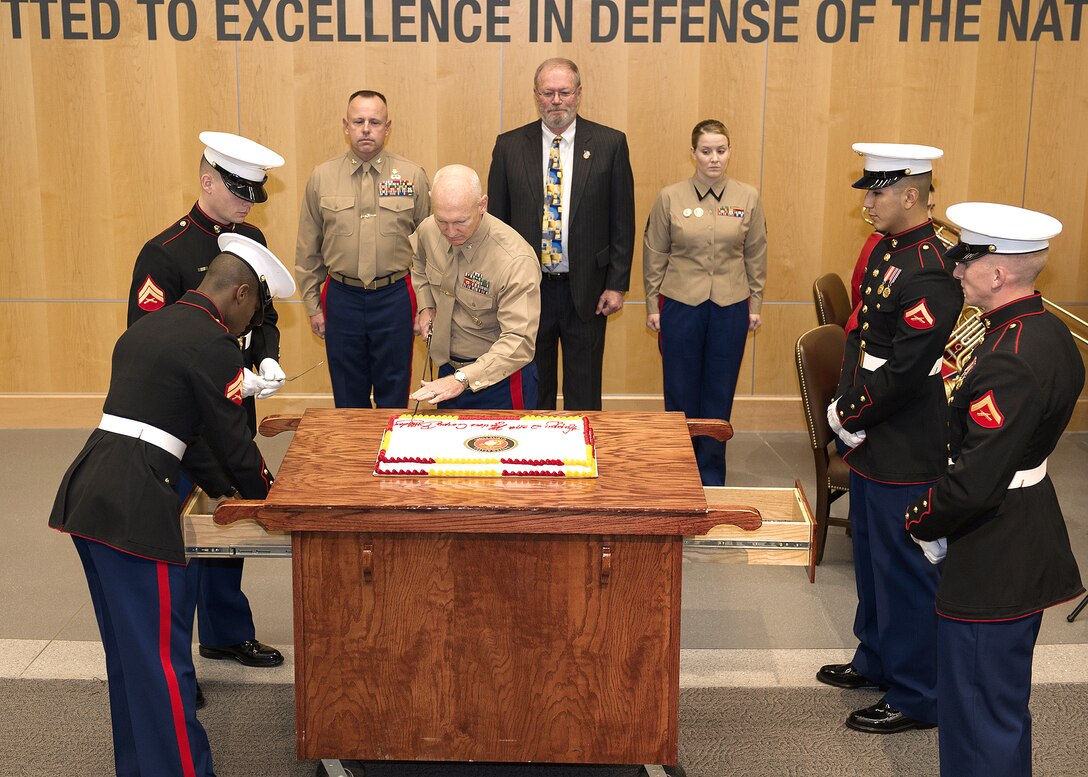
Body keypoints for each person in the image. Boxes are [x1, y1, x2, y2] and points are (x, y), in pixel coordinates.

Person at [50, 241, 294, 777]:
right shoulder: (214, 343)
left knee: (130, 661)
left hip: (89, 498)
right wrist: (274, 497)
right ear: (241, 293)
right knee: (163, 666)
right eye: (255, 308)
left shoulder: (148, 328)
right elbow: (234, 445)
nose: (251, 321)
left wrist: (233, 496)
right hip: (138, 509)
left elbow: (198, 443)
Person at [905, 203, 1084, 775]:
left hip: (993, 549)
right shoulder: (1048, 332)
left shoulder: (1009, 357)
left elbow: (975, 483)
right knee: (998, 708)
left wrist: (921, 520)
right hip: (1022, 529)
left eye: (966, 262)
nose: (956, 272)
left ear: (997, 273)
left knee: (978, 713)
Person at [128, 133, 286, 676]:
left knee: (232, 514)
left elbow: (262, 314)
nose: (247, 204)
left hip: (233, 399)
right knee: (185, 540)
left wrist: (264, 362)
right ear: (206, 181)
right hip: (184, 421)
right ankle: (178, 664)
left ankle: (226, 633)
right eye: (238, 191)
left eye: (253, 195)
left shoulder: (251, 238)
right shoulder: (166, 253)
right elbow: (150, 345)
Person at [817, 143, 962, 734]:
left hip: (903, 433)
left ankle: (917, 693)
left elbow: (906, 365)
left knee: (903, 568)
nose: (868, 203)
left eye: (877, 192)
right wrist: (852, 409)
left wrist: (850, 409)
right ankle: (875, 659)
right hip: (876, 428)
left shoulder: (930, 261)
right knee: (875, 559)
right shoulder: (891, 248)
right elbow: (865, 340)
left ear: (911, 195)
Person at [486, 57, 634, 411]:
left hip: (588, 290)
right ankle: (536, 462)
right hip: (528, 291)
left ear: (578, 94)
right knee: (535, 387)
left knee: (584, 390)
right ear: (536, 96)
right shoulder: (509, 147)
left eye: (564, 92)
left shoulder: (610, 144)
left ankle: (584, 458)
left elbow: (622, 221)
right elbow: (495, 225)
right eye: (548, 93)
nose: (556, 101)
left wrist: (617, 284)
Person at [643, 119, 767, 486]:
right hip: (681, 303)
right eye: (706, 151)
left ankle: (712, 475)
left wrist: (755, 303)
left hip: (731, 305)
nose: (714, 159)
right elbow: (655, 254)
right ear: (693, 153)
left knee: (719, 390)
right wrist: (653, 304)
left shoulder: (748, 197)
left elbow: (756, 253)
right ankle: (679, 472)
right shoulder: (670, 197)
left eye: (721, 150)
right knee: (680, 390)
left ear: (730, 152)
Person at [295, 89, 431, 408]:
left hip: (395, 297)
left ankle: (390, 457)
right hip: (342, 300)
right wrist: (314, 306)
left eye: (374, 121)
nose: (366, 128)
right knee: (347, 395)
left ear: (388, 127)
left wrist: (426, 306)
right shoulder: (322, 177)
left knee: (394, 393)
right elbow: (308, 250)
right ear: (346, 126)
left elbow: (431, 250)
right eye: (358, 121)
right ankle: (353, 459)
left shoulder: (412, 176)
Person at [410, 165, 540, 410]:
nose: (450, 232)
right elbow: (417, 264)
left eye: (460, 222)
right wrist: (426, 306)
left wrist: (462, 379)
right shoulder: (428, 229)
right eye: (442, 221)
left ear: (482, 205)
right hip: (447, 373)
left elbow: (519, 341)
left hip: (500, 381)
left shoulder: (515, 260)